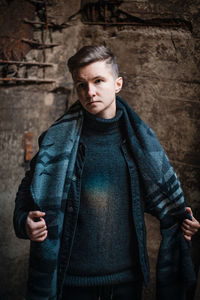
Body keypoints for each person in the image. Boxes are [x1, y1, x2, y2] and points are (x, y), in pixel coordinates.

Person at [14, 45, 200, 300]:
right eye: (81, 85)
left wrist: (183, 222)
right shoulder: (56, 143)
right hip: (71, 281)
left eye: (98, 81)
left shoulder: (139, 143)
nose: (90, 92)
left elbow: (158, 201)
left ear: (117, 84)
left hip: (127, 282)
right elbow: (26, 199)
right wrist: (24, 224)